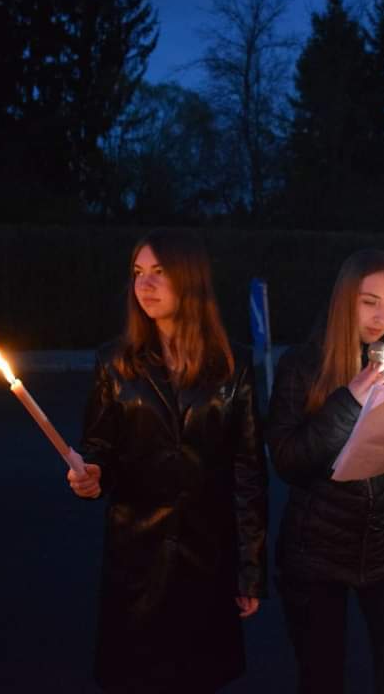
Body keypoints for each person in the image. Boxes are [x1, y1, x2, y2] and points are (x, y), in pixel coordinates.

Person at [67, 229, 267, 694]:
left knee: (198, 676)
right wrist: (92, 473)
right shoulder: (115, 362)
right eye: (138, 272)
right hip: (138, 557)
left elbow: (248, 471)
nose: (145, 284)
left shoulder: (232, 365)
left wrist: (250, 568)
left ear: (189, 278)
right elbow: (99, 447)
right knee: (138, 677)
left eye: (159, 272)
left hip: (207, 558)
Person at [266, 249, 384, 694]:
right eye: (369, 302)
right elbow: (288, 461)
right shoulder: (302, 364)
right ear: (344, 299)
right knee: (321, 676)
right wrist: (349, 400)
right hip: (317, 546)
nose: (380, 317)